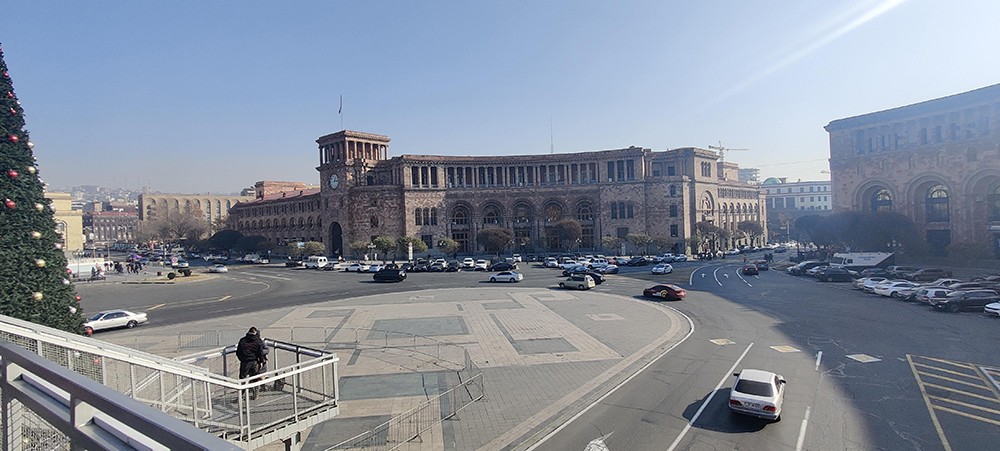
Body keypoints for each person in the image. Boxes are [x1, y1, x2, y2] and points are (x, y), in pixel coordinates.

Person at [236, 327, 267, 399]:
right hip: (254, 362)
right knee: (255, 378)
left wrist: (242, 359)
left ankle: (240, 396)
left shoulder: (243, 340)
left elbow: (238, 352)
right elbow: (260, 353)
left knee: (242, 379)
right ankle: (255, 395)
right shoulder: (258, 341)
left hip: (245, 362)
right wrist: (261, 361)